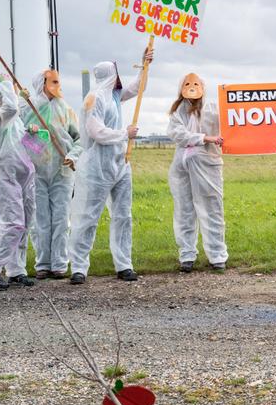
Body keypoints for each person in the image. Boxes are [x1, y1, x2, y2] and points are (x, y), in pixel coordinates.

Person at [67, 47, 153, 284]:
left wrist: (145, 64)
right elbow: (96, 132)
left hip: (120, 163)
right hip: (97, 166)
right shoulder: (94, 99)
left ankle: (124, 265)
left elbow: (138, 88)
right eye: (116, 73)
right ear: (110, 75)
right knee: (88, 216)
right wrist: (125, 134)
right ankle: (79, 267)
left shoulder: (115, 96)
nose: (119, 77)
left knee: (123, 215)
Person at [0, 76, 36, 289]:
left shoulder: (15, 120)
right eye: (5, 91)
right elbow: (11, 109)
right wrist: (7, 83)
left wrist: (35, 136)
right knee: (13, 223)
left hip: (24, 176)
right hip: (5, 177)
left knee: (25, 224)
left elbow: (30, 147)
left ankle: (16, 270)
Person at [167, 72, 228, 272]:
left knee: (212, 208)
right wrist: (204, 138)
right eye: (187, 84)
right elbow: (177, 134)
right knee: (184, 209)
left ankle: (217, 256)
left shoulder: (213, 109)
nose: (192, 88)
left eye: (196, 84)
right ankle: (187, 255)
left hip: (208, 163)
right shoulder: (179, 111)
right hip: (183, 166)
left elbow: (229, 125)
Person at [25, 69, 81, 279]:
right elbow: (18, 135)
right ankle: (43, 263)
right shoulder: (28, 107)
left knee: (61, 217)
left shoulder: (65, 108)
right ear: (42, 83)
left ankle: (59, 263)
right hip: (36, 169)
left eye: (58, 81)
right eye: (53, 81)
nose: (57, 85)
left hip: (62, 169)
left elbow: (79, 139)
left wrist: (73, 156)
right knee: (40, 218)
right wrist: (29, 133)